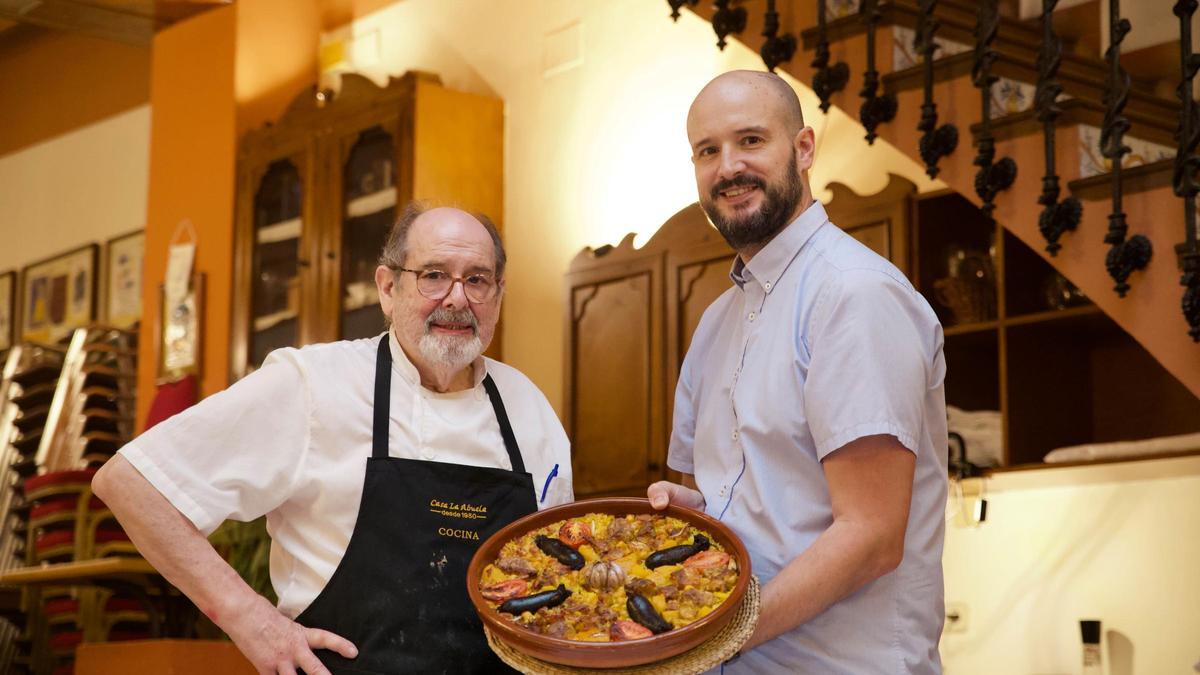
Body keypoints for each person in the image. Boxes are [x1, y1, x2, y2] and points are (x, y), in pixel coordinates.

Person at [93, 204, 573, 675]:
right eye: (433, 275)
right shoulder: (313, 384)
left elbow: (562, 572)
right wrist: (252, 621)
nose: (456, 298)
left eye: (476, 279)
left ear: (498, 293)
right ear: (388, 288)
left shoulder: (528, 408)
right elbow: (134, 483)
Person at [647, 70, 947, 673]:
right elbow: (755, 497)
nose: (728, 166)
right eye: (708, 151)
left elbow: (870, 536)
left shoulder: (853, 294)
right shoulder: (714, 321)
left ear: (804, 149)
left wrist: (715, 637)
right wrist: (696, 509)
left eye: (751, 140)